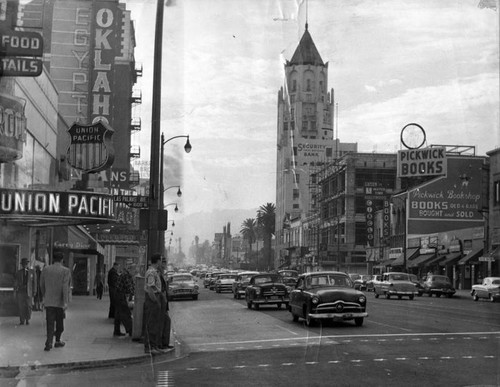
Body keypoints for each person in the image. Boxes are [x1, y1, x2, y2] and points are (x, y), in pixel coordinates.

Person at [40, 252, 71, 352]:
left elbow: (41, 284)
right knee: (60, 323)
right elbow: (65, 287)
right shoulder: (65, 271)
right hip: (59, 302)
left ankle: (49, 342)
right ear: (62, 260)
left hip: (49, 301)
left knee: (49, 323)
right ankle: (57, 340)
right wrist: (65, 302)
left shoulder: (46, 269)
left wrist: (45, 295)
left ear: (53, 259)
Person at [143, 253, 163, 355]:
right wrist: (155, 300)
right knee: (151, 323)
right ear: (157, 261)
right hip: (152, 299)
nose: (161, 262)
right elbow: (150, 288)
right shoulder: (151, 272)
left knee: (154, 323)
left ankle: (154, 345)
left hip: (154, 298)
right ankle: (149, 347)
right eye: (161, 260)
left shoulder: (154, 272)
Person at [13, 258, 36, 325]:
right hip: (21, 291)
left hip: (29, 291)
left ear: (27, 264)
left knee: (29, 306)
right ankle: (22, 319)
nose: (25, 265)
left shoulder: (32, 272)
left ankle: (27, 319)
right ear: (22, 264)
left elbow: (34, 282)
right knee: (21, 306)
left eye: (26, 263)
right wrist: (15, 288)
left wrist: (34, 291)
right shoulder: (18, 272)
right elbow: (16, 281)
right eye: (23, 264)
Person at [113, 264, 134, 337]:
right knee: (126, 312)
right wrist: (134, 293)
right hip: (120, 295)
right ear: (130, 269)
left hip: (117, 294)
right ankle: (130, 330)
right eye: (134, 270)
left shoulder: (126, 275)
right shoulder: (126, 275)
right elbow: (129, 287)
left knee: (118, 314)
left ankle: (116, 331)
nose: (134, 272)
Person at [159, 259, 173, 350]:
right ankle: (163, 343)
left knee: (166, 322)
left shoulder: (163, 274)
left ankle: (164, 342)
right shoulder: (158, 274)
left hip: (164, 301)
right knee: (165, 322)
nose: (165, 265)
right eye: (163, 263)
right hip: (161, 301)